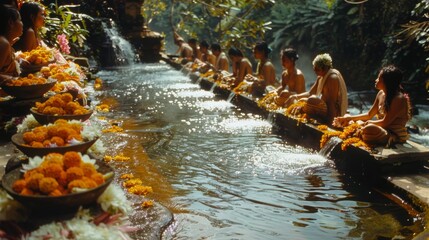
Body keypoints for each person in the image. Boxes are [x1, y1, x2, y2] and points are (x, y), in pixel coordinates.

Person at [333, 65, 410, 146]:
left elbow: (385, 123)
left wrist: (366, 123)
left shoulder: (399, 99)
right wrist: (349, 118)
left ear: (386, 82)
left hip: (391, 134)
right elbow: (369, 115)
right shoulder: (381, 93)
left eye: (379, 78)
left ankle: (357, 130)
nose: (376, 80)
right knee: (347, 116)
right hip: (380, 128)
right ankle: (357, 130)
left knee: (369, 129)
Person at [287, 53, 348, 124]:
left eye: (317, 69)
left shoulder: (332, 78)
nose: (315, 71)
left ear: (324, 68)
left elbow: (332, 103)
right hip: (324, 108)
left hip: (334, 114)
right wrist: (295, 96)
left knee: (312, 100)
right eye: (314, 69)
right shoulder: (320, 77)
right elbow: (310, 93)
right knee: (302, 100)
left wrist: (330, 122)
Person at [0, 4, 22, 84]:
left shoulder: (6, 42)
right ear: (10, 23)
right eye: (20, 20)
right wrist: (11, 79)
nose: (22, 24)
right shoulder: (3, 43)